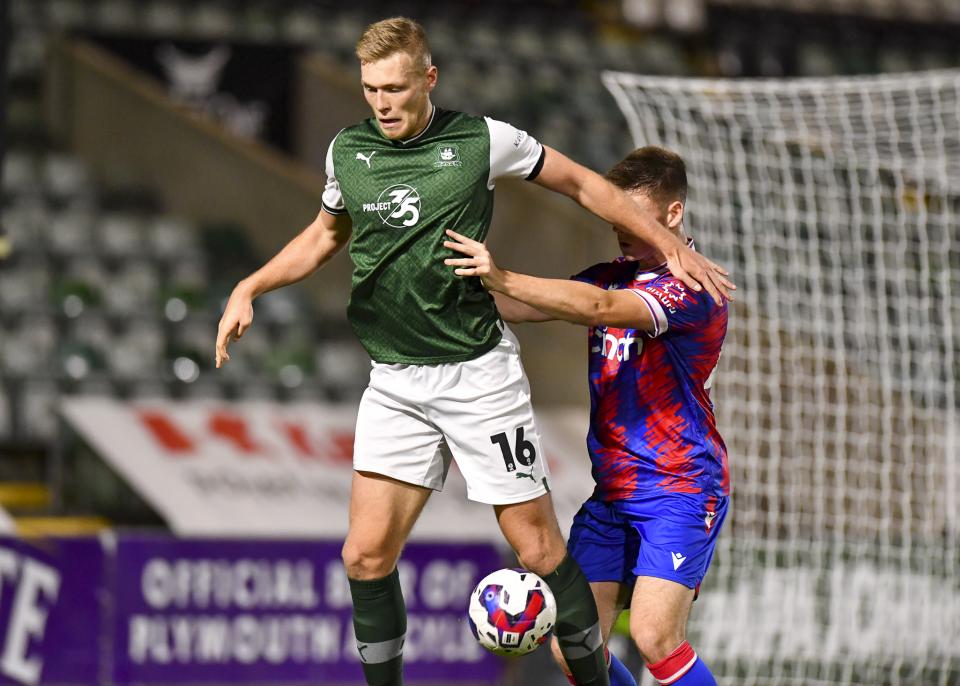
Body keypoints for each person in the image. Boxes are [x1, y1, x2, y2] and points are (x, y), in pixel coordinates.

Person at [215, 15, 732, 686]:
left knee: (551, 558)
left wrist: (664, 250)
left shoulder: (484, 141)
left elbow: (581, 190)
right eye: (370, 89)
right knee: (365, 556)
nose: (382, 103)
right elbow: (323, 234)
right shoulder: (349, 152)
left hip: (487, 383)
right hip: (396, 379)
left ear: (428, 79)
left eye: (395, 88)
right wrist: (249, 285)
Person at [443, 146, 728, 686]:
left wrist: (501, 275)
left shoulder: (693, 288)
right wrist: (445, 290)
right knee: (575, 648)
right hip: (613, 492)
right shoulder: (611, 274)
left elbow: (594, 309)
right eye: (614, 213)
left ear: (673, 215)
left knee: (653, 637)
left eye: (635, 215)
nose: (619, 226)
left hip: (680, 487)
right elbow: (530, 306)